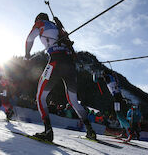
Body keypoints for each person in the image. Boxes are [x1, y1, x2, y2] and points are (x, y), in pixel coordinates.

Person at [25, 12, 96, 142]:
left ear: (38, 19)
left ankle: (48, 131)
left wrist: (27, 55)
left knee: (40, 97)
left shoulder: (40, 23)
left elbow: (29, 38)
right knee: (73, 101)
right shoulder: (59, 28)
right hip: (70, 65)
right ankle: (90, 130)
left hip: (56, 62)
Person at [101, 69, 131, 139]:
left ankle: (130, 132)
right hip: (118, 97)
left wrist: (94, 74)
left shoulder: (108, 77)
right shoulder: (114, 78)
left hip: (117, 98)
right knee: (118, 115)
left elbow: (97, 79)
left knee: (119, 115)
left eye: (103, 75)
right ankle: (124, 132)